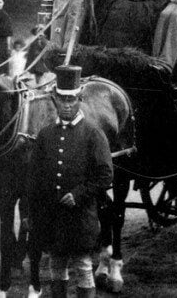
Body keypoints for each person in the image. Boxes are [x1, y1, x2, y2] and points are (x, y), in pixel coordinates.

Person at [26, 65, 113, 298]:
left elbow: (105, 176)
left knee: (83, 267)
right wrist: (32, 213)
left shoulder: (93, 133)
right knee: (56, 268)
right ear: (55, 100)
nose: (67, 105)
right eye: (62, 100)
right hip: (53, 217)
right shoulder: (45, 135)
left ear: (79, 100)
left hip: (81, 217)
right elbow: (34, 178)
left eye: (72, 100)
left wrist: (78, 195)